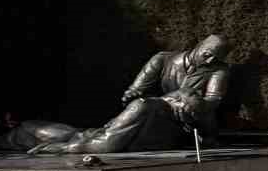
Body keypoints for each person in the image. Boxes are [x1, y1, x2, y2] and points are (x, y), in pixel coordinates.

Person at [30, 36, 232, 156]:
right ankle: (76, 142)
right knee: (138, 108)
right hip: (157, 112)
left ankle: (76, 145)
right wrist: (133, 92)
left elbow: (212, 101)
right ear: (199, 45)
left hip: (184, 122)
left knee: (139, 109)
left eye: (216, 57)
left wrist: (191, 106)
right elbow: (138, 88)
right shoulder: (163, 59)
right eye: (208, 53)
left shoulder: (219, 70)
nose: (210, 59)